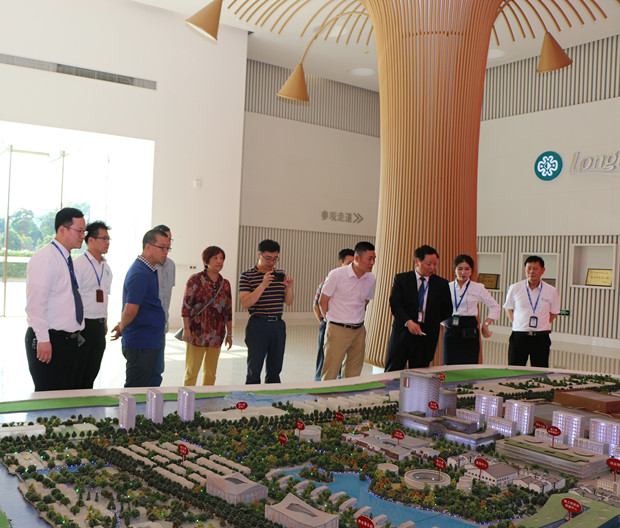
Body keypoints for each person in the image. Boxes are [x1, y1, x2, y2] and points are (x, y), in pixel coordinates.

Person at [25, 207, 86, 392]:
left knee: (64, 395)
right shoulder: (45, 258)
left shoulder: (66, 258)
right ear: (62, 230)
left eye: (84, 231)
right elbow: (36, 304)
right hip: (50, 340)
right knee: (49, 397)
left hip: (68, 340)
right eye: (79, 231)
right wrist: (43, 339)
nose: (83, 236)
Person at [111, 229, 168, 387]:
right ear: (148, 247)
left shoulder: (148, 270)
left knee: (145, 386)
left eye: (168, 248)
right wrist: (122, 326)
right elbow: (130, 309)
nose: (165, 252)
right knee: (135, 389)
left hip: (148, 340)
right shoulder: (140, 273)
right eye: (162, 247)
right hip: (141, 342)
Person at [385, 245, 452, 371]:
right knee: (393, 372)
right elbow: (395, 305)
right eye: (428, 264)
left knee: (419, 375)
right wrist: (409, 322)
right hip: (403, 333)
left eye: (435, 264)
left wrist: (429, 322)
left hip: (426, 336)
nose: (432, 268)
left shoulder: (441, 283)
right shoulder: (402, 279)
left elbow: (447, 310)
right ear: (417, 261)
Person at [239, 239, 294, 384]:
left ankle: (272, 395)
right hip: (258, 324)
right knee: (254, 368)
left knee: (275, 369)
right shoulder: (247, 275)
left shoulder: (279, 274)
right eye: (268, 258)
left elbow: (289, 302)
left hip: (277, 325)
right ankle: (251, 396)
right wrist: (263, 285)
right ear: (259, 255)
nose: (271, 262)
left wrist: (289, 288)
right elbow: (245, 303)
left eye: (275, 258)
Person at [319, 242, 376, 380]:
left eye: (374, 259)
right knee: (331, 371)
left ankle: (348, 394)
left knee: (353, 373)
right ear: (357, 258)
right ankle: (325, 395)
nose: (372, 263)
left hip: (359, 330)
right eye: (369, 259)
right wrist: (330, 320)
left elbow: (365, 302)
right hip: (338, 329)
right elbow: (322, 301)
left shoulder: (371, 278)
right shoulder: (337, 275)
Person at [181, 246, 233, 385]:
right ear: (206, 261)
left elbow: (228, 311)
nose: (219, 261)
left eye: (221, 258)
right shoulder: (195, 280)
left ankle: (207, 397)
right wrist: (186, 329)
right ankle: (187, 397)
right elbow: (186, 307)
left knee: (211, 373)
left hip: (216, 334)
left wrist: (229, 334)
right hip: (196, 333)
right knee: (191, 372)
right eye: (215, 258)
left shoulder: (225, 284)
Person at [73, 221, 113, 388]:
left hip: (99, 326)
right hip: (83, 325)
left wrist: (105, 321)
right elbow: (74, 298)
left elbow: (105, 297)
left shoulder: (106, 267)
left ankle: (87, 400)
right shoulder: (79, 264)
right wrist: (76, 326)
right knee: (78, 371)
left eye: (108, 239)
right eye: (104, 238)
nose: (107, 242)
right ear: (91, 240)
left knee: (92, 370)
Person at [442, 254, 500, 365]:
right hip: (451, 330)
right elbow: (438, 307)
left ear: (471, 271)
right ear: (454, 270)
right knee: (449, 365)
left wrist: (486, 324)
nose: (463, 272)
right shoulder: (447, 287)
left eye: (467, 269)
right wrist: (444, 321)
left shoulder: (478, 287)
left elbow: (495, 306)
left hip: (469, 331)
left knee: (469, 365)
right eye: (460, 269)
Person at [503, 255, 560, 368]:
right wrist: (516, 322)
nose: (531, 272)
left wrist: (542, 323)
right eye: (528, 268)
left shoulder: (551, 290)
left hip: (541, 337)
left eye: (535, 268)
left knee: (540, 372)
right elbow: (508, 308)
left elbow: (554, 312)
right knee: (515, 370)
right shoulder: (515, 288)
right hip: (519, 336)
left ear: (543, 270)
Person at [313, 248, 354, 381]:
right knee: (325, 358)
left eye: (354, 263)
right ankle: (320, 383)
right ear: (340, 264)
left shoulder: (356, 282)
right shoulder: (330, 279)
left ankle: (340, 383)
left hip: (348, 327)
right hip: (330, 324)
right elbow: (316, 304)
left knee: (343, 358)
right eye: (349, 263)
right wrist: (326, 322)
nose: (352, 266)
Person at [149, 224, 176, 386]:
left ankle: (153, 398)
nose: (168, 243)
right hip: (148, 328)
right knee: (144, 370)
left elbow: (167, 295)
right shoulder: (148, 265)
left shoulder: (171, 265)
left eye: (170, 240)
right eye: (164, 240)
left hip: (162, 326)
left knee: (158, 370)